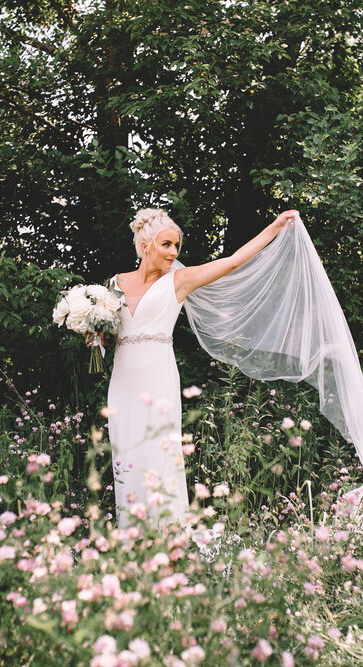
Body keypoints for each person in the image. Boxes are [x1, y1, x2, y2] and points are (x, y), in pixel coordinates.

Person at [106, 208, 298, 529]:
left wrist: (275, 227)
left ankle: (168, 533)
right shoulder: (115, 284)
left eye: (176, 246)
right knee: (126, 450)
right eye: (166, 244)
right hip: (122, 381)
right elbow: (106, 333)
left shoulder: (178, 281)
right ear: (146, 245)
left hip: (158, 377)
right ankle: (133, 535)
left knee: (158, 452)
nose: (173, 253)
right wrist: (94, 336)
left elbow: (234, 261)